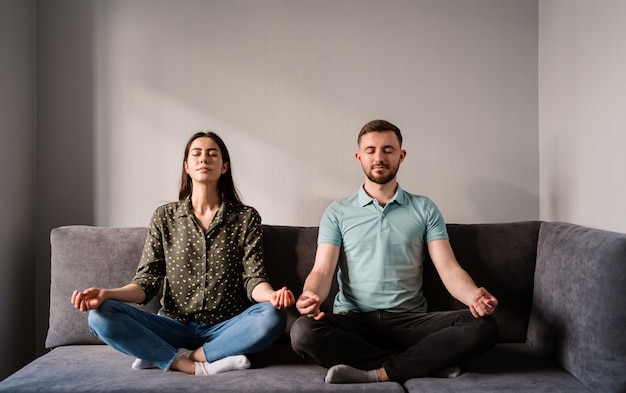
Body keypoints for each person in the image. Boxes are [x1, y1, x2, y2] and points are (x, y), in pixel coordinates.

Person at [290, 119, 499, 384]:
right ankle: (423, 362)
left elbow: (449, 268)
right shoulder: (337, 212)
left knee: (484, 326)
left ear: (401, 156)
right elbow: (322, 270)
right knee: (303, 332)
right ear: (359, 157)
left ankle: (379, 373)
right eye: (371, 150)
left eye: (388, 150)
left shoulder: (424, 208)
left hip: (411, 322)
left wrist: (474, 297)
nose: (379, 157)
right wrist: (310, 296)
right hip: (355, 322)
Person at [71, 131, 295, 376]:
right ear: (187, 166)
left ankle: (187, 355)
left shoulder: (245, 217)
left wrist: (272, 295)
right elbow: (145, 284)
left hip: (227, 327)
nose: (204, 159)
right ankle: (184, 363)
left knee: (273, 315)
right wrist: (106, 294)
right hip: (172, 325)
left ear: (224, 167)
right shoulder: (164, 217)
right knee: (99, 315)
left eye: (212, 154)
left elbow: (254, 279)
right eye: (196, 154)